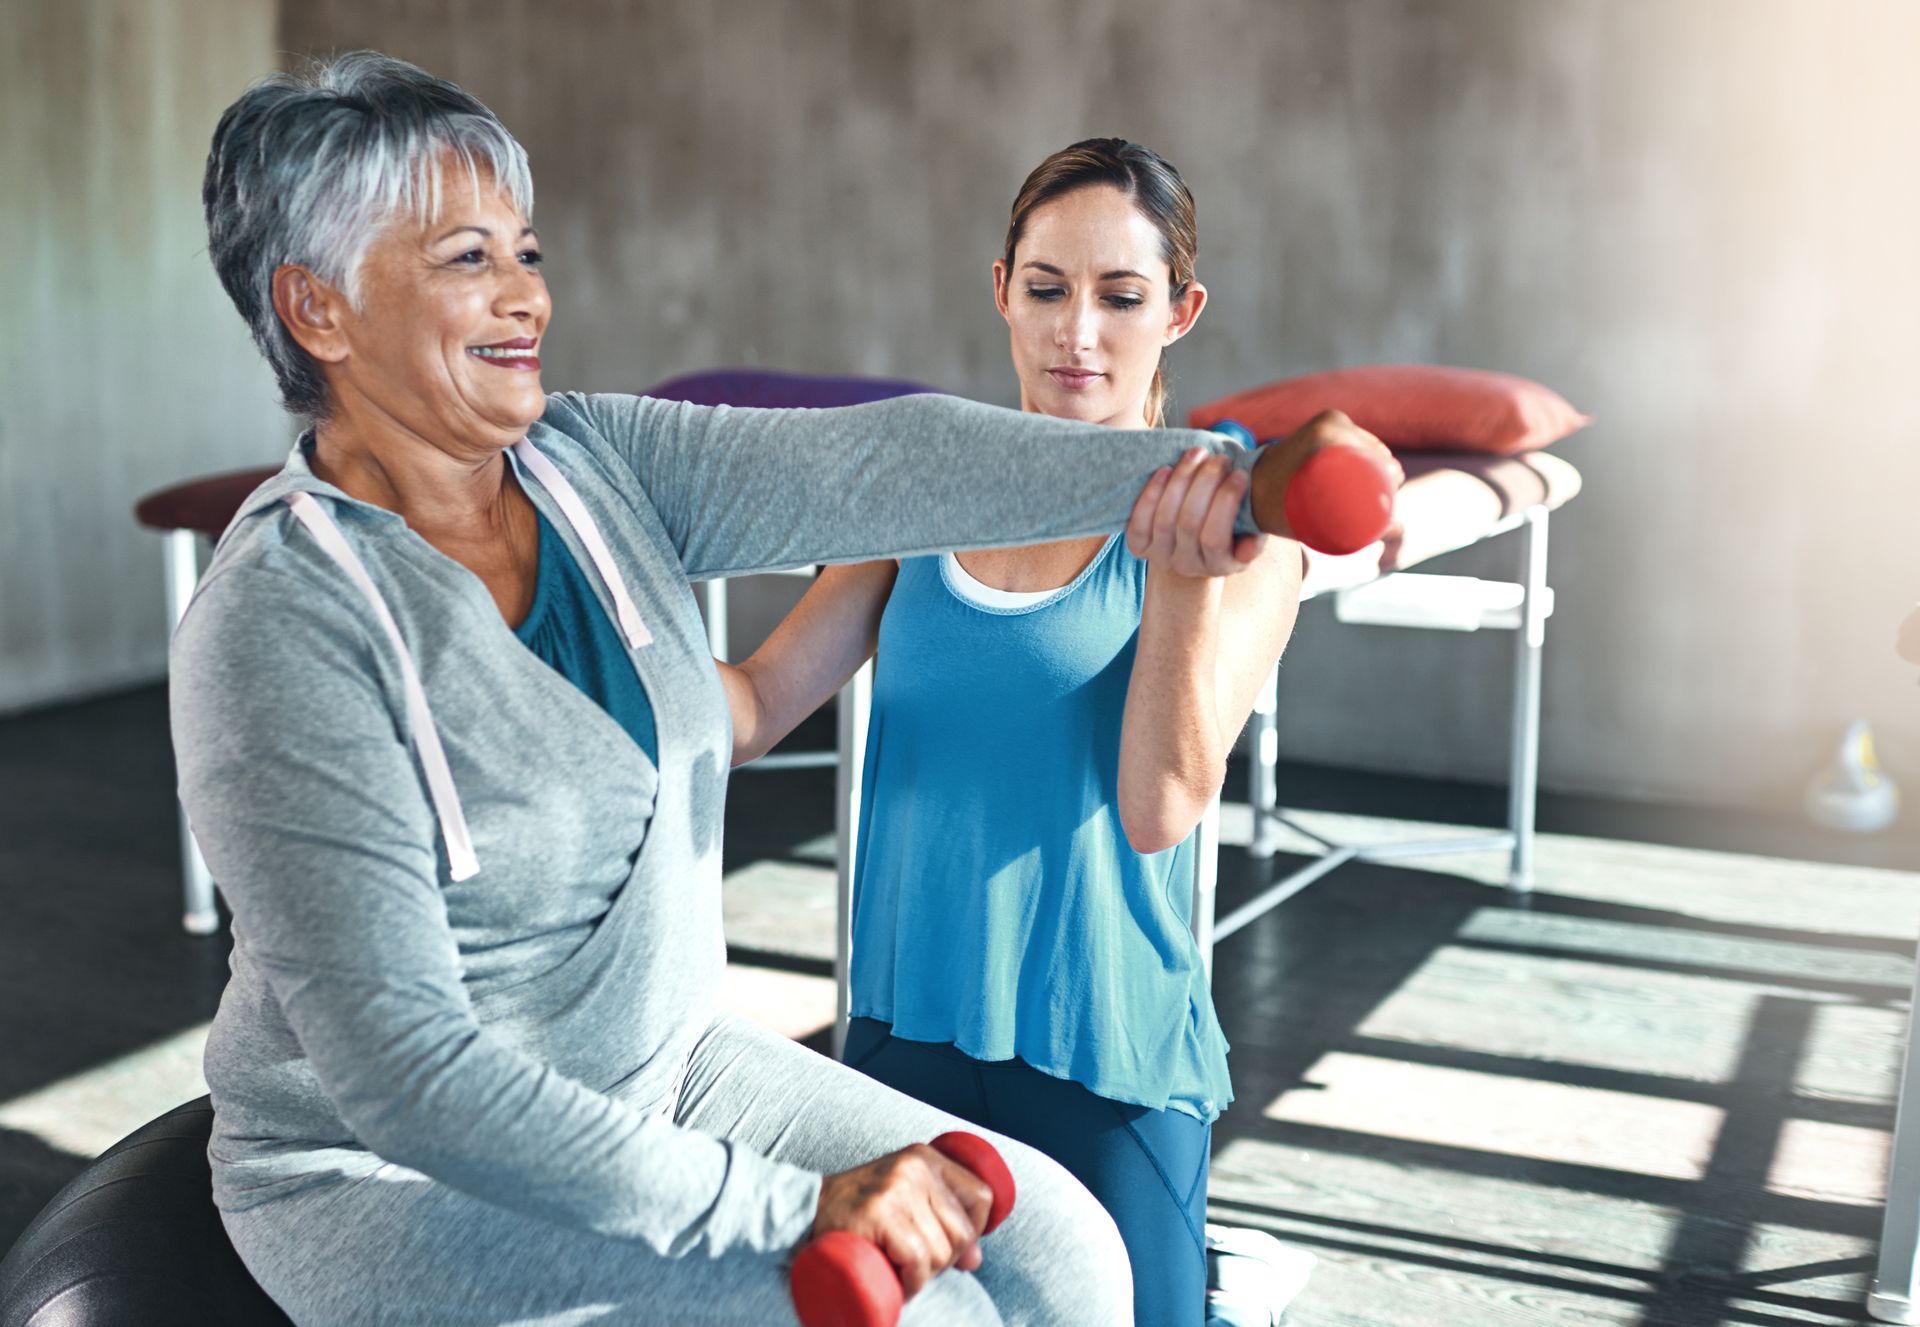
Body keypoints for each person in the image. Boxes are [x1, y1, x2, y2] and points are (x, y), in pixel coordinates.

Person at [176, 54, 1386, 1327]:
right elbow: (410, 1079)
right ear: (318, 309)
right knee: (944, 1315)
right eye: (465, 260)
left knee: (1064, 1252)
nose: (526, 296)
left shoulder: (586, 462)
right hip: (395, 1175)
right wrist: (792, 1211)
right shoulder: (280, 623)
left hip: (666, 1068)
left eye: (525, 253)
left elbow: (882, 462)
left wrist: (1232, 475)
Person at [719, 140, 1387, 1325]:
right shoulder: (931, 479)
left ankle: (1227, 1286)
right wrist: (561, 662)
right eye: (1047, 288)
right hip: (898, 1035)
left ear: (1179, 312)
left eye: (1121, 297)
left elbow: (1158, 806)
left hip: (1106, 1053)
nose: (1078, 332)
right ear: (1001, 289)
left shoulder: (1246, 527)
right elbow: (761, 704)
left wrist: (1179, 589)